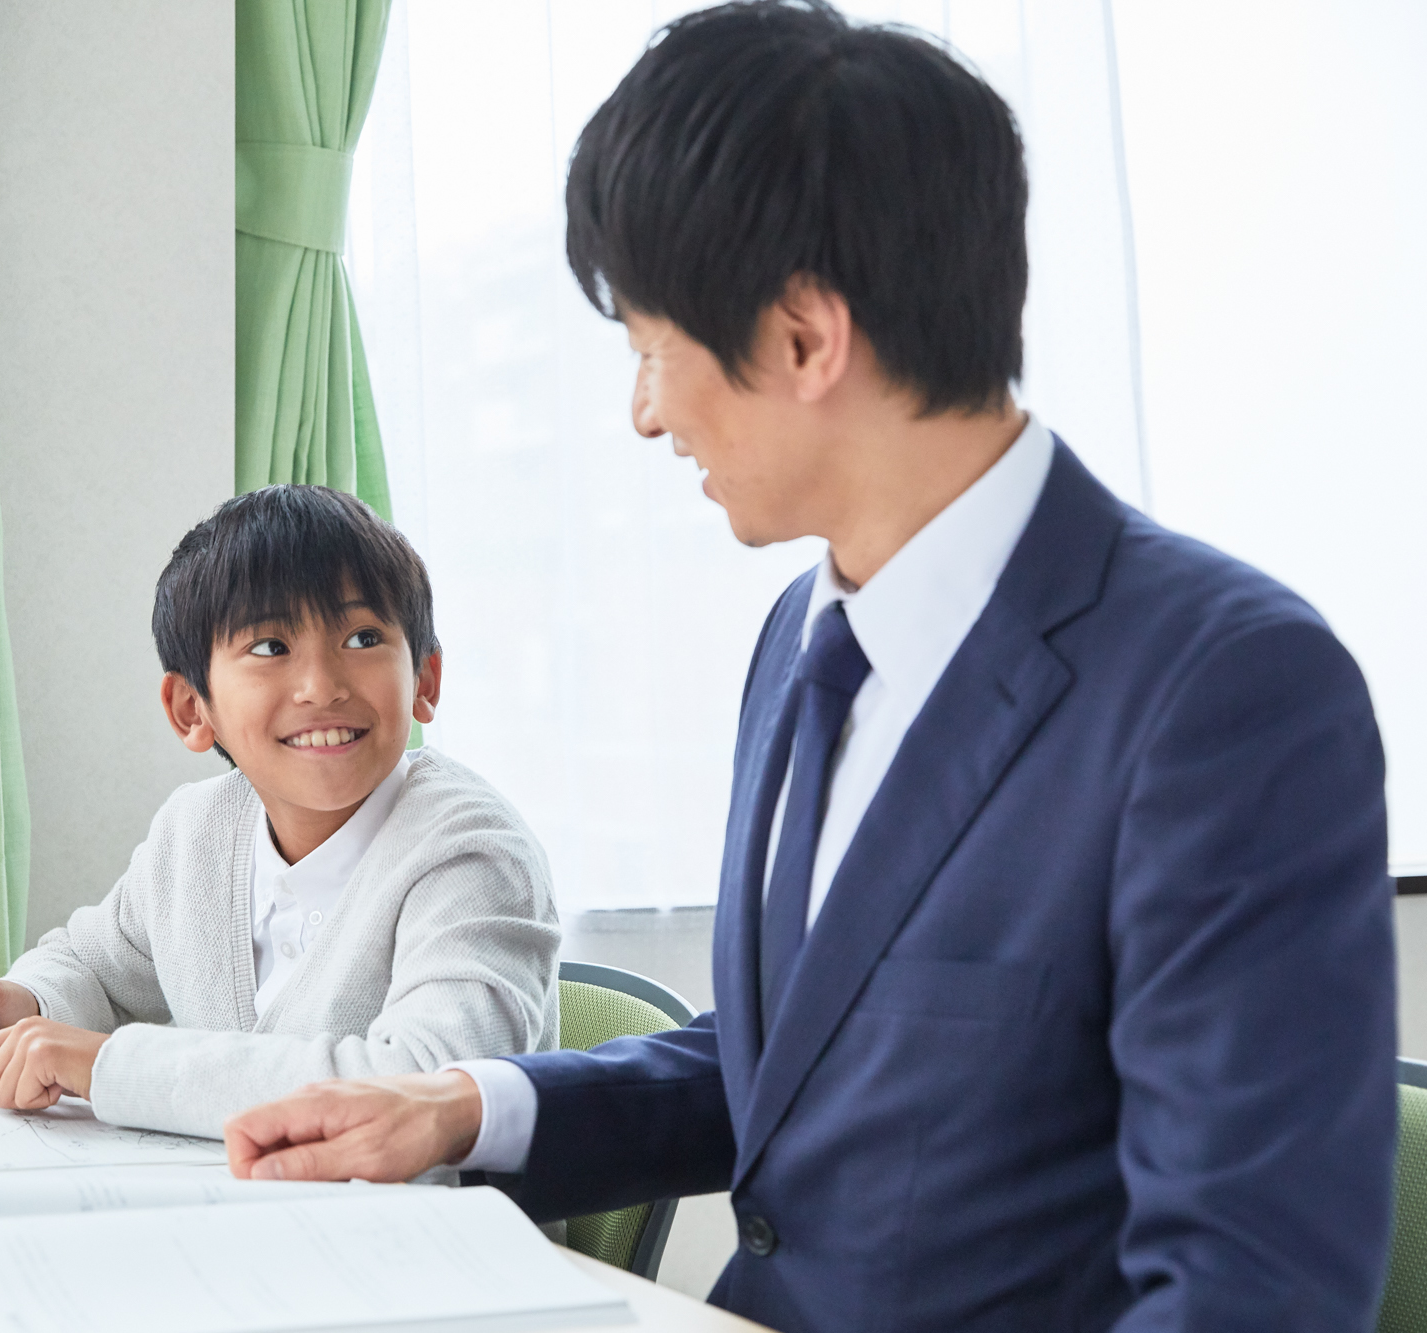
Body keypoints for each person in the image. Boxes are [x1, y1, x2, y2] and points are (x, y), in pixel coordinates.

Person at [221, 4, 1397, 1330]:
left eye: (650, 345)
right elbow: (795, 1064)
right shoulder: (802, 643)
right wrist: (455, 1108)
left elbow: (1254, 1289)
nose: (644, 409)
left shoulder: (1225, 695)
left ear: (800, 338)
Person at [0, 484, 560, 1139]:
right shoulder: (195, 830)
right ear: (192, 708)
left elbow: (422, 1087)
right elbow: (93, 967)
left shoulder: (475, 855)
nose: (321, 686)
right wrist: (21, 1007)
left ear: (424, 679)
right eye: (272, 648)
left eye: (363, 637)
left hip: (427, 1237)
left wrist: (110, 1064)